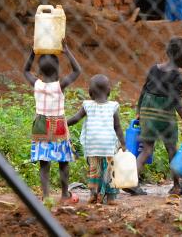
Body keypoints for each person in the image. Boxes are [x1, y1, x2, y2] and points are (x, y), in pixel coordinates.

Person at [125, 37, 182, 196]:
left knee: (146, 150)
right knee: (172, 150)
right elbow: (177, 102)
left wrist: (139, 110)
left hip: (148, 111)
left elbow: (144, 90)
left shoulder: (154, 69)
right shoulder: (177, 76)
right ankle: (177, 186)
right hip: (165, 115)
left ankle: (131, 182)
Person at [23, 42, 81, 204]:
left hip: (40, 124)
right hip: (58, 125)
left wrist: (33, 53)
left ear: (39, 71)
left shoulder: (37, 84)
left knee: (44, 162)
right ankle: (64, 194)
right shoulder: (60, 85)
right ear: (58, 69)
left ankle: (46, 195)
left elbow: (25, 70)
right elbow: (77, 71)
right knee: (63, 161)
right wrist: (67, 51)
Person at [67, 74, 126, 205]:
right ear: (109, 91)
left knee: (94, 171)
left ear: (90, 92)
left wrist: (64, 123)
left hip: (92, 146)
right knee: (110, 171)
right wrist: (123, 143)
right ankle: (110, 198)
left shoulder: (87, 105)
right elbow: (117, 127)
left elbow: (76, 119)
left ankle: (93, 195)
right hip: (108, 146)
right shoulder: (113, 106)